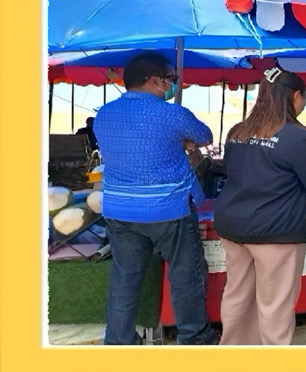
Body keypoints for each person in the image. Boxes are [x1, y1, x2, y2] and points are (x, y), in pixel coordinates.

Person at [91, 52, 218, 345]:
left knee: (125, 278)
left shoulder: (104, 114)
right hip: (168, 208)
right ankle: (194, 337)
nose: (174, 86)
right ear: (155, 80)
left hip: (120, 209)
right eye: (171, 80)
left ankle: (118, 340)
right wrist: (182, 139)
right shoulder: (173, 113)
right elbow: (205, 136)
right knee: (185, 276)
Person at [213, 67, 306, 345]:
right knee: (274, 306)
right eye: (304, 97)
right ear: (295, 97)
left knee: (237, 295)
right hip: (276, 231)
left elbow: (235, 171)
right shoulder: (298, 137)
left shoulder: (237, 132)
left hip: (233, 226)